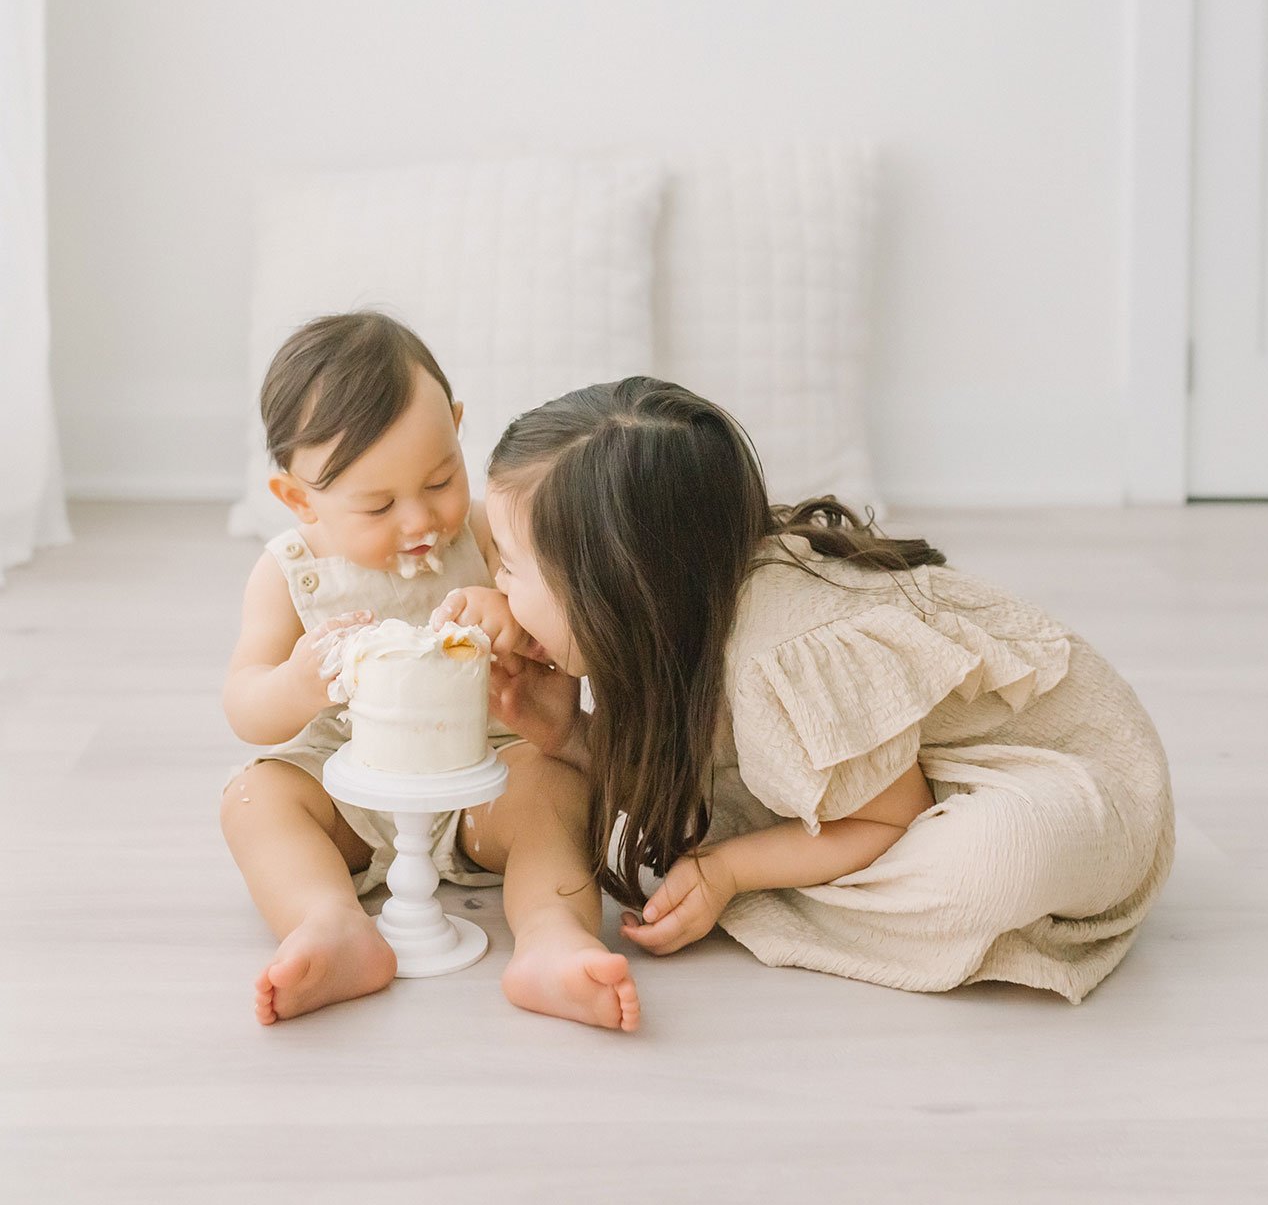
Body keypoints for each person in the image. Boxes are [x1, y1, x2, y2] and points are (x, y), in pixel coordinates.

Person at [480, 377, 1175, 1006]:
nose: (499, 588)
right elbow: (706, 765)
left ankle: (780, 866)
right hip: (915, 785)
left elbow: (885, 818)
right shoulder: (688, 613)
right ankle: (789, 852)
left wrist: (727, 870)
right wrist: (571, 736)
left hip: (1075, 782)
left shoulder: (772, 659)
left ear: (613, 596)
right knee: (757, 805)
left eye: (509, 566)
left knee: (995, 860)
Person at [220, 313, 637, 1030]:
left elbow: (553, 639)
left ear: (457, 426)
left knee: (555, 787)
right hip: (348, 788)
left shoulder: (483, 532)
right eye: (377, 505)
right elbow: (243, 703)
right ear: (298, 498)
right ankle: (329, 922)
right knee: (253, 798)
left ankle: (549, 937)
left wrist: (507, 617)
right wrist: (293, 684)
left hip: (482, 780)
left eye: (440, 479)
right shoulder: (289, 572)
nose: (419, 520)